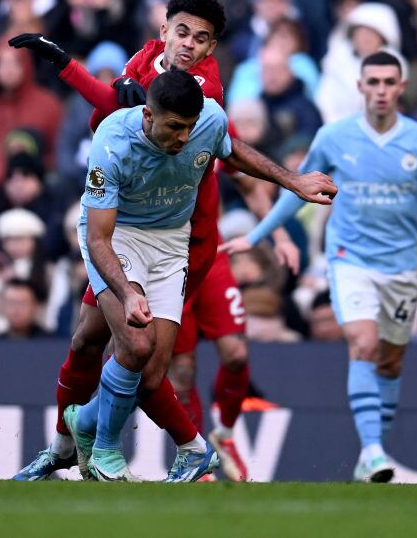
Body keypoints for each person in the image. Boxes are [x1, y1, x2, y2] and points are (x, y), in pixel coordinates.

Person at [10, 0, 299, 483]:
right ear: (164, 29)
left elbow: (222, 146)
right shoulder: (145, 57)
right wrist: (66, 62)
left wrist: (67, 66)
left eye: (201, 38)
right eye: (181, 32)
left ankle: (112, 440)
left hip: (186, 238)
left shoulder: (200, 95)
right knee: (87, 341)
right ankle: (69, 443)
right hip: (123, 229)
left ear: (211, 49)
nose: (187, 45)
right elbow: (115, 109)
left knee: (146, 362)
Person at [221, 52, 417, 483]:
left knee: (390, 363)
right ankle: (371, 451)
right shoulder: (335, 137)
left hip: (402, 268)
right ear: (361, 87)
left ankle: (373, 453)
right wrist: (258, 235)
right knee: (363, 345)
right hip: (350, 260)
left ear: (401, 88)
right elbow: (297, 189)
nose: (381, 90)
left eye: (389, 82)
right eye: (374, 82)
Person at [66, 70, 335, 482]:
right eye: (175, 127)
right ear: (149, 116)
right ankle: (107, 451)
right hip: (120, 236)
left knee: (153, 373)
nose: (184, 138)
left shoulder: (207, 118)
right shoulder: (110, 142)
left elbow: (232, 151)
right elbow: (98, 238)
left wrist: (292, 181)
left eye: (190, 128)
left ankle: (84, 421)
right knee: (136, 343)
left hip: (174, 242)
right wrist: (127, 292)